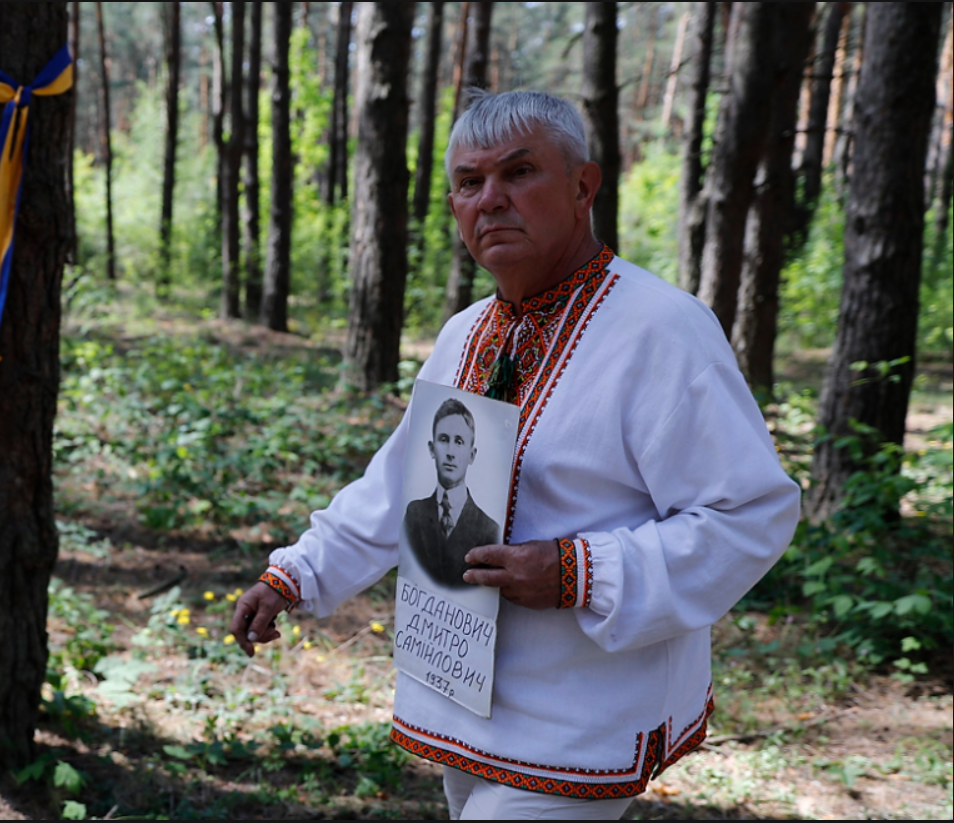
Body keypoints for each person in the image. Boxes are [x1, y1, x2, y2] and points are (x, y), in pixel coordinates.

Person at [230, 90, 800, 820]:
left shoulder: (660, 330)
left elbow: (747, 513)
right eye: (470, 182)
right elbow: (405, 479)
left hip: (581, 710)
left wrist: (576, 570)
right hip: (461, 690)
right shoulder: (466, 332)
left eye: (518, 172)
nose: (491, 199)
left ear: (582, 186)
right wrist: (298, 572)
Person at [403, 398, 501, 589]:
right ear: (432, 449)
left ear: (471, 455)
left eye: (459, 442)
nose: (450, 452)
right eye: (443, 440)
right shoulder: (414, 512)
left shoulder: (490, 529)